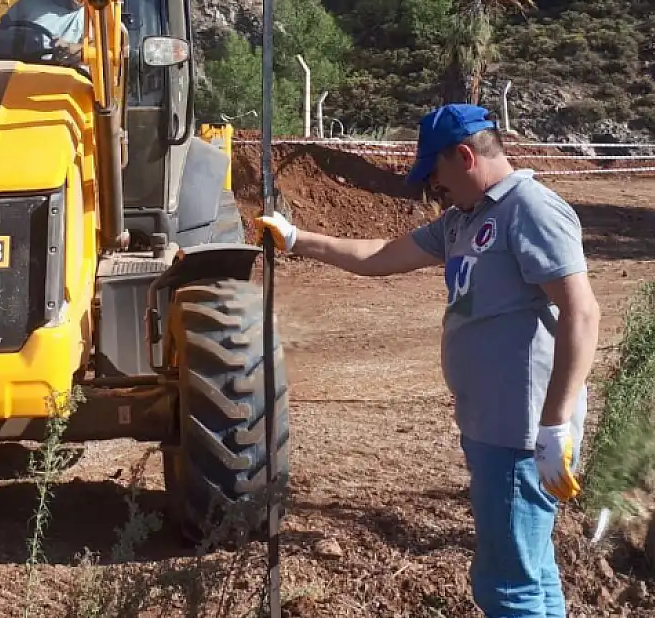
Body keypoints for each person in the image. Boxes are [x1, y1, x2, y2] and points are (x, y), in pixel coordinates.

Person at [257, 103, 600, 618]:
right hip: (493, 424)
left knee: (508, 585)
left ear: (464, 156)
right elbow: (380, 256)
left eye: (436, 174)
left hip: (521, 432)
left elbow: (582, 312)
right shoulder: (464, 220)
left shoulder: (528, 208)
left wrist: (553, 423)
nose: (434, 188)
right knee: (528, 569)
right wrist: (297, 239)